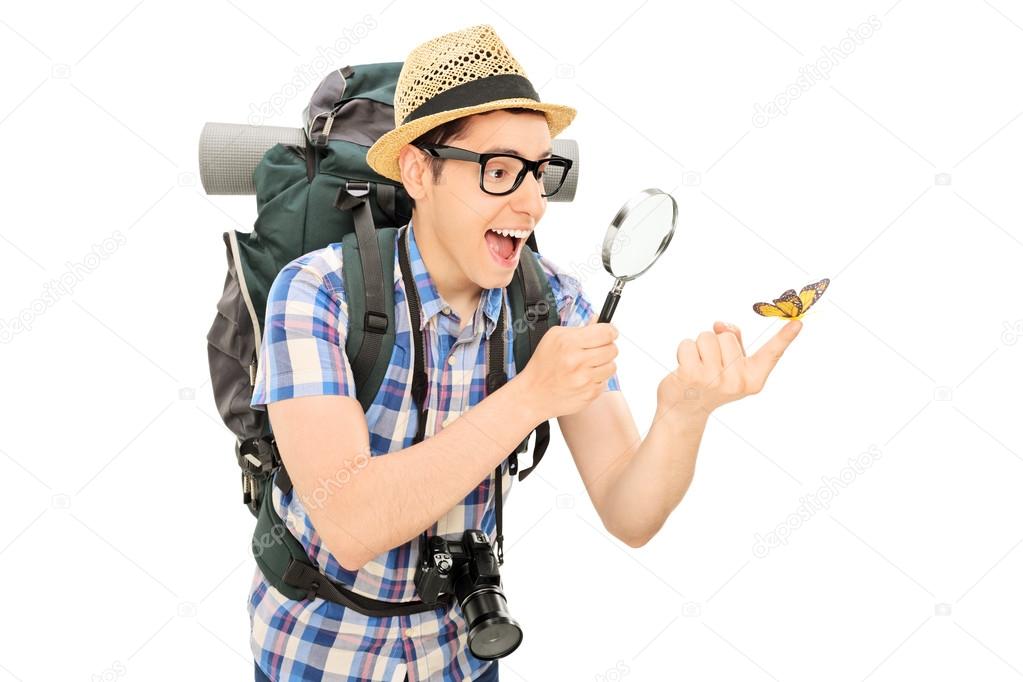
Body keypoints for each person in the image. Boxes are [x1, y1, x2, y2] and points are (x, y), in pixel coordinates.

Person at [248, 23, 802, 682]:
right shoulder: (316, 292)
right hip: (317, 655)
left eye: (540, 173)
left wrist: (683, 413)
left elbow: (630, 513)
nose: (533, 203)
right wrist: (530, 396)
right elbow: (352, 525)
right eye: (500, 171)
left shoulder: (551, 305)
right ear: (418, 171)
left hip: (459, 657)